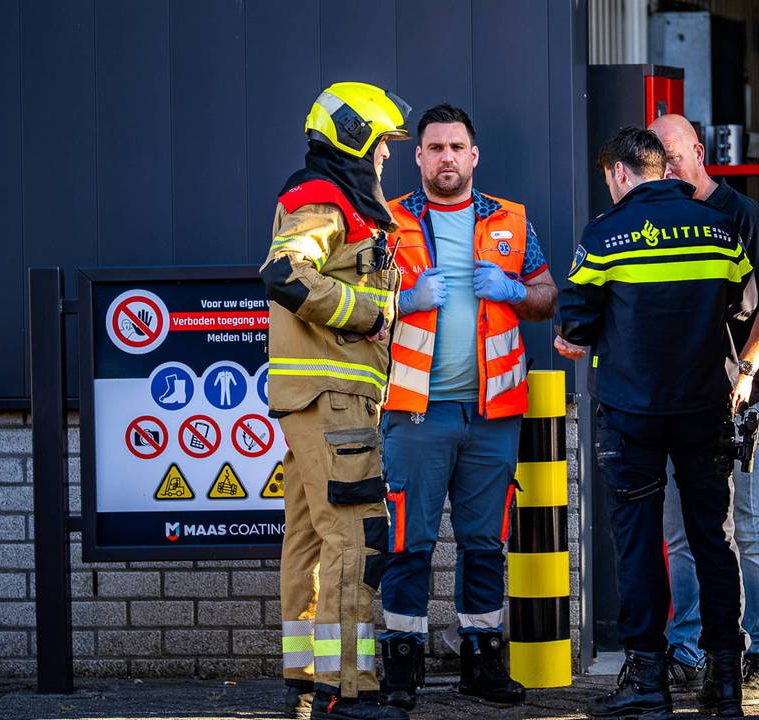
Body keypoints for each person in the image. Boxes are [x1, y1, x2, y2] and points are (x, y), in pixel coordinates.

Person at [556, 127, 758, 719]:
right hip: (705, 409)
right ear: (660, 167)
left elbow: (574, 323)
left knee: (641, 542)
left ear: (620, 173)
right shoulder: (718, 228)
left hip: (632, 415)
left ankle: (647, 678)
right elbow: (744, 304)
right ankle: (725, 681)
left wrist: (587, 337)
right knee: (713, 540)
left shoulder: (603, 234)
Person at [378, 103, 558, 710]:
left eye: (457, 147)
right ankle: (401, 670)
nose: (447, 157)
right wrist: (404, 299)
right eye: (436, 148)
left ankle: (482, 663)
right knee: (409, 542)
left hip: (493, 414)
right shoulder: (388, 221)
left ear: (474, 155)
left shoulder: (511, 220)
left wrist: (512, 290)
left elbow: (546, 295)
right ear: (419, 156)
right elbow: (360, 305)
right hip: (416, 411)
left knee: (485, 544)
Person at [260, 81, 411, 720]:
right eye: (381, 147)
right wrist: (367, 315)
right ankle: (349, 691)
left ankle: (305, 680)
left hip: (313, 401)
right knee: (354, 537)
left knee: (311, 539)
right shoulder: (325, 199)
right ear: (354, 139)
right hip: (333, 401)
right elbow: (285, 272)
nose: (384, 160)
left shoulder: (334, 200)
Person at [648, 113, 759, 704]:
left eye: (674, 155)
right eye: (657, 158)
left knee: (745, 527)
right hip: (680, 399)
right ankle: (687, 649)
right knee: (681, 533)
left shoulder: (742, 215)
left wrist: (748, 370)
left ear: (698, 151)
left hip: (740, 397)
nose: (668, 167)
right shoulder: (658, 216)